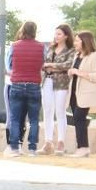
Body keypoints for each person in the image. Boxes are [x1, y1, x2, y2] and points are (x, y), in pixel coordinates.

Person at [5, 20, 44, 157]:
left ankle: (14, 148)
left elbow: (8, 65)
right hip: (34, 85)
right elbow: (43, 64)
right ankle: (32, 149)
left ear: (22, 30)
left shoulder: (14, 46)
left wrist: (15, 71)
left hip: (17, 84)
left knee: (15, 118)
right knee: (34, 120)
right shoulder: (41, 47)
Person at [68, 30, 96, 158]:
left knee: (79, 118)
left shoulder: (95, 56)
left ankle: (83, 147)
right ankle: (82, 147)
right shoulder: (76, 56)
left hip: (86, 93)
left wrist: (79, 72)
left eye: (77, 40)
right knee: (78, 119)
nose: (75, 43)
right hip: (74, 92)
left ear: (85, 41)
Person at [41, 24, 76, 155]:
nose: (56, 36)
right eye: (55, 34)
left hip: (61, 83)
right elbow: (43, 64)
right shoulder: (50, 48)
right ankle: (48, 141)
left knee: (60, 111)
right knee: (47, 110)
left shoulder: (70, 50)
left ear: (66, 36)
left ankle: (61, 141)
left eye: (59, 34)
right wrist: (51, 67)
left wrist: (52, 65)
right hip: (47, 81)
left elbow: (68, 65)